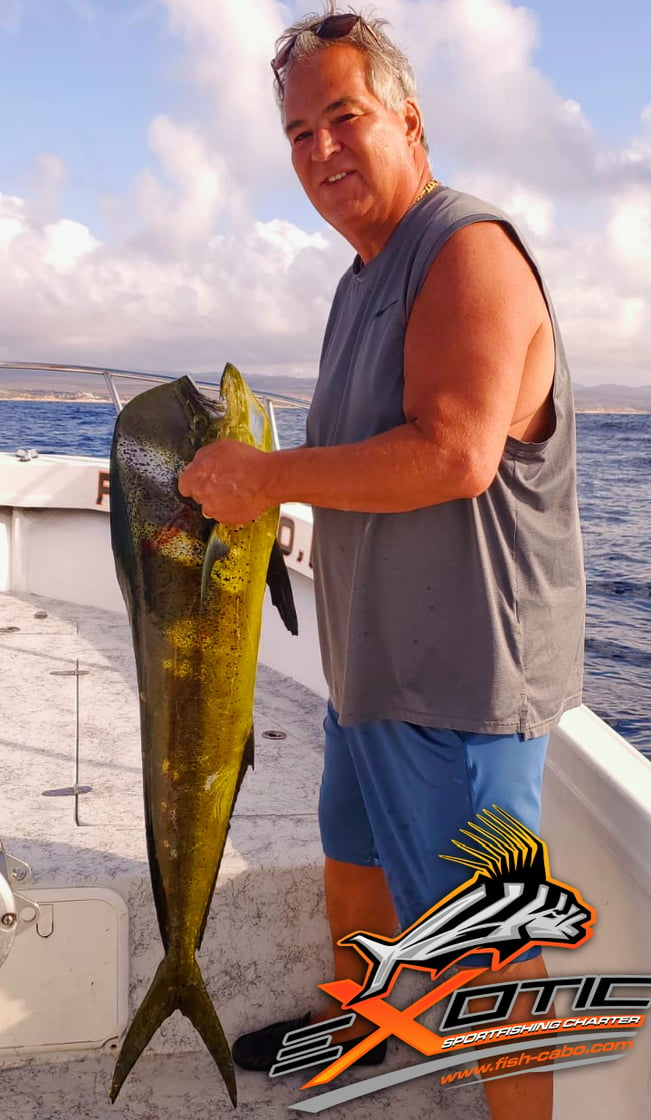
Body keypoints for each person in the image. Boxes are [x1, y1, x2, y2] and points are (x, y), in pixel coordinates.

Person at [178, 6, 585, 1118]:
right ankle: (367, 1036)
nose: (321, 151)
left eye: (343, 117)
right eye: (299, 133)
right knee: (352, 864)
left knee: (492, 954)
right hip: (371, 671)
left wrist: (264, 478)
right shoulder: (363, 274)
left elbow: (454, 456)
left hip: (460, 684)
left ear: (410, 119)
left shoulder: (467, 250)